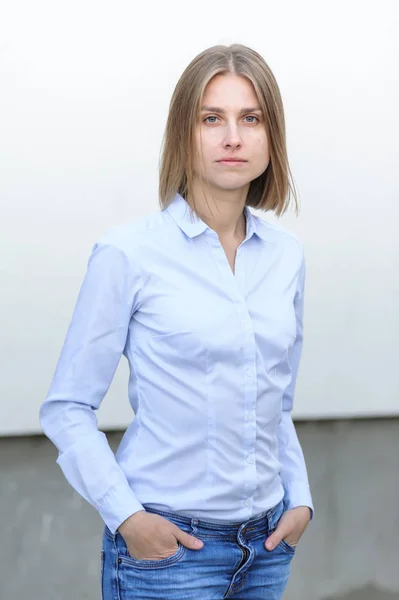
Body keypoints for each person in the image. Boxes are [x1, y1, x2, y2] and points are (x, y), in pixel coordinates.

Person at [40, 43, 313, 600]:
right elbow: (67, 408)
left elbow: (274, 399)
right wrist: (128, 519)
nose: (232, 137)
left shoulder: (287, 257)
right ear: (183, 135)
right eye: (211, 118)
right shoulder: (127, 254)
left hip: (266, 550)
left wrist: (300, 498)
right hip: (168, 556)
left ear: (271, 137)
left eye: (250, 118)